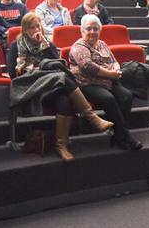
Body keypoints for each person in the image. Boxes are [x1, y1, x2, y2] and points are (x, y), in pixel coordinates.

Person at [8, 13, 114, 161]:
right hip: (30, 87)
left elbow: (57, 62)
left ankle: (61, 145)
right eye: (32, 27)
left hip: (52, 86)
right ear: (25, 29)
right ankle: (92, 117)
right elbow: (12, 72)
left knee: (63, 98)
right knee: (63, 78)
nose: (36, 29)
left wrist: (45, 44)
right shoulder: (16, 45)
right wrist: (36, 71)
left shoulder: (46, 42)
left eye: (38, 26)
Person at [69, 14, 142, 150]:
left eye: (95, 29)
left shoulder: (102, 44)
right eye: (89, 28)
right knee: (108, 98)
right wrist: (111, 74)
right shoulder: (78, 46)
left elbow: (113, 60)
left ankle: (118, 136)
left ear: (100, 30)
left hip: (108, 80)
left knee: (126, 96)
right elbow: (88, 67)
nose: (92, 32)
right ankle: (126, 136)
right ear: (82, 30)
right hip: (87, 83)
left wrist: (117, 69)